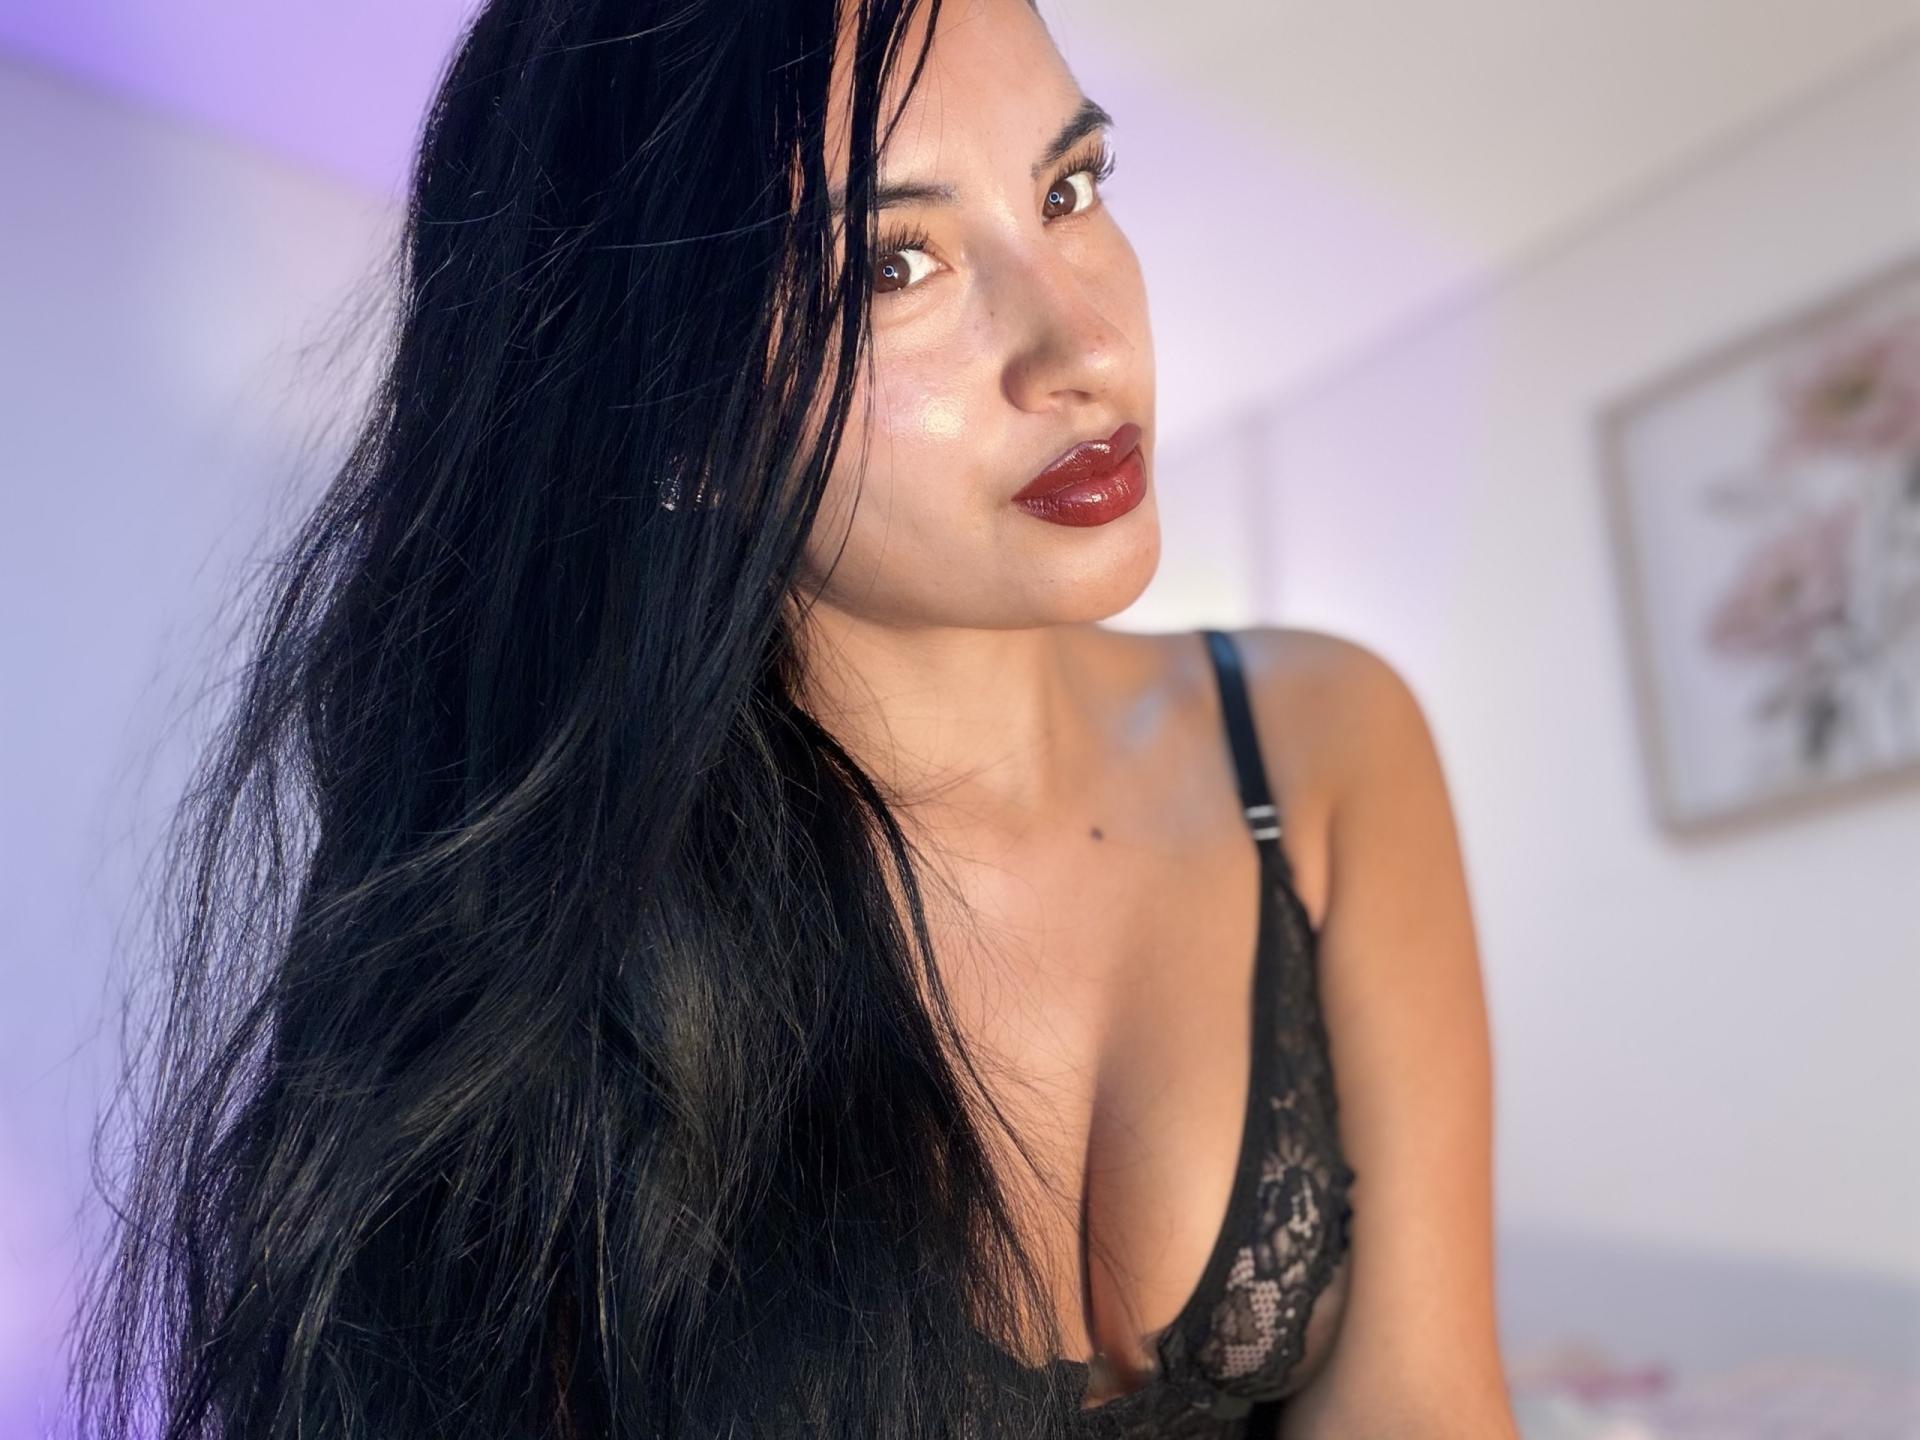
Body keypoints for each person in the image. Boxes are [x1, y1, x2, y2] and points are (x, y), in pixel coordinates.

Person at [68, 1, 1518, 1437]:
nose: (1081, 344)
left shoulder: (1321, 744)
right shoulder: (566, 946)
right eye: (894, 264)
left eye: (1069, 189)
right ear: (676, 418)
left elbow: (1425, 1407)